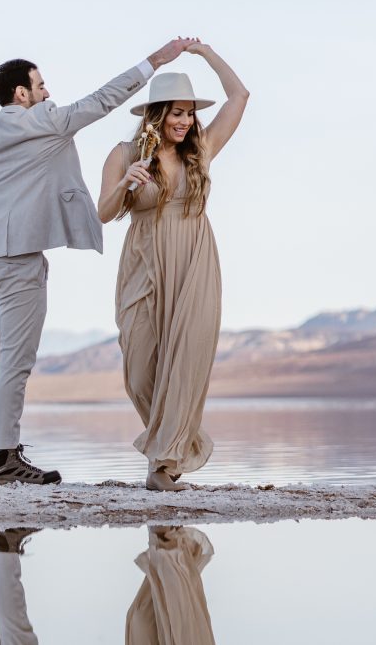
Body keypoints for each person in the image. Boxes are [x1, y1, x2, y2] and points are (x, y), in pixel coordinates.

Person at [0, 38, 198, 486]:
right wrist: (155, 61)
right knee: (15, 361)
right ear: (21, 93)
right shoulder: (47, 121)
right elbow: (105, 99)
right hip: (16, 258)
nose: (48, 91)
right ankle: (5, 457)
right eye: (40, 85)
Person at [97, 41, 249, 491]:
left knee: (184, 363)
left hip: (194, 262)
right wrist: (125, 184)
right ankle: (174, 443)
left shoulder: (200, 151)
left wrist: (206, 54)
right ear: (156, 114)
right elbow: (102, 213)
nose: (185, 121)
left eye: (190, 113)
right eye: (177, 113)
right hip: (143, 261)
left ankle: (163, 464)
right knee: (139, 367)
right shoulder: (125, 154)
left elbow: (239, 96)